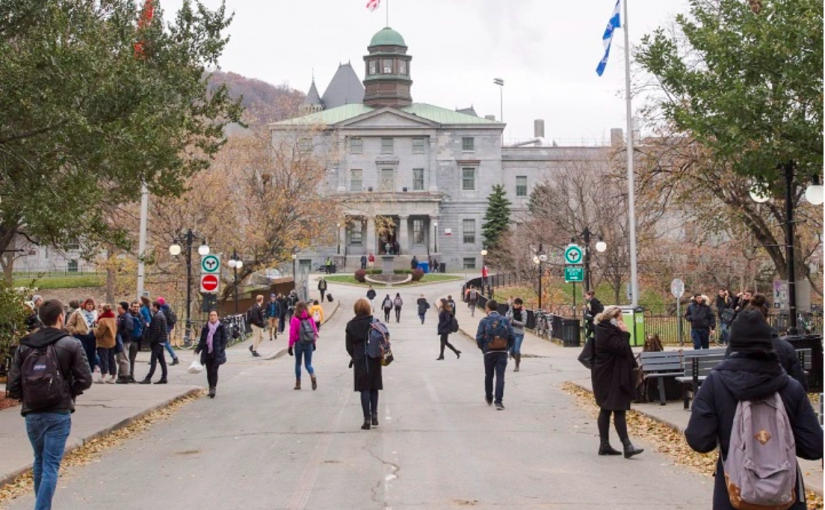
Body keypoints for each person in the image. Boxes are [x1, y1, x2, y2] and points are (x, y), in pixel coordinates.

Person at [685, 310, 822, 510]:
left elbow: (699, 440)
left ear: (733, 345)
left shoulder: (715, 384)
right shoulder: (790, 387)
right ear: (769, 344)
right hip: (785, 496)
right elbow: (815, 447)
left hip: (734, 495)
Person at [7, 298, 92, 510]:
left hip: (32, 411)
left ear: (40, 318)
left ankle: (42, 504)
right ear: (61, 317)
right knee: (51, 464)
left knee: (39, 460)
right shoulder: (70, 343)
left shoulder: (25, 345)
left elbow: (13, 382)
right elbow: (85, 379)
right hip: (58, 411)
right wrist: (69, 392)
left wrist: (26, 397)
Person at [723, 294, 808, 391]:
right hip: (781, 400)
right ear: (766, 319)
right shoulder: (785, 348)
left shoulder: (734, 348)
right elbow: (801, 384)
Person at [591, 306, 644, 458]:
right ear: (615, 317)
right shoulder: (607, 331)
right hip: (611, 376)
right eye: (621, 316)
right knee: (617, 408)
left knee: (607, 409)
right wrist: (625, 332)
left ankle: (605, 445)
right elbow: (621, 348)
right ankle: (627, 446)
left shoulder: (604, 329)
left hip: (607, 374)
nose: (623, 319)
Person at [345, 298, 383, 430]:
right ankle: (375, 416)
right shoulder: (374, 322)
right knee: (374, 387)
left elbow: (348, 346)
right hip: (374, 356)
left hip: (360, 358)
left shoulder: (350, 325)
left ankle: (366, 418)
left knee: (364, 389)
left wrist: (355, 356)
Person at [475, 300, 512, 410]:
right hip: (502, 351)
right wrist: (506, 347)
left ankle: (489, 396)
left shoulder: (484, 321)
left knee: (489, 375)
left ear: (487, 308)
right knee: (500, 376)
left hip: (489, 352)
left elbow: (479, 337)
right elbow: (512, 335)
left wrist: (484, 348)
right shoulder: (504, 320)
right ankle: (499, 401)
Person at [195, 310, 228, 398]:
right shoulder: (206, 327)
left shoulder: (221, 327)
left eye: (214, 315)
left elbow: (224, 339)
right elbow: (202, 340)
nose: (212, 317)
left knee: (214, 371)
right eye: (211, 315)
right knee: (209, 372)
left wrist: (221, 348)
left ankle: (213, 388)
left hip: (217, 353)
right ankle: (210, 387)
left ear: (217, 317)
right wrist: (198, 349)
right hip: (207, 352)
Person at [288, 301, 318, 391]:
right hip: (309, 343)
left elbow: (292, 334)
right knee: (308, 364)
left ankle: (298, 384)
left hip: (299, 343)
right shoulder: (310, 318)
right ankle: (312, 375)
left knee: (298, 363)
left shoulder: (295, 318)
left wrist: (290, 346)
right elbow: (314, 331)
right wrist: (314, 343)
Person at [140, 301, 169, 384]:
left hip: (158, 341)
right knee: (161, 360)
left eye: (152, 306)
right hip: (161, 340)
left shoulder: (157, 316)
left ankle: (148, 378)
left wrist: (152, 341)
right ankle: (164, 377)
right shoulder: (160, 315)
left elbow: (156, 331)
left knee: (153, 359)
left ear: (155, 307)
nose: (150, 308)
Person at [72, 298, 98, 375]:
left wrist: (95, 331)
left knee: (91, 355)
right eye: (88, 304)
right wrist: (76, 331)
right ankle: (81, 372)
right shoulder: (78, 313)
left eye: (91, 304)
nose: (90, 306)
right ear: (85, 305)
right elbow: (69, 325)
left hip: (91, 336)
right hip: (80, 336)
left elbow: (96, 325)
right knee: (82, 355)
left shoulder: (95, 313)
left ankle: (90, 372)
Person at [94, 304, 117, 384]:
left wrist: (94, 329)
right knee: (112, 360)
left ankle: (103, 376)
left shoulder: (102, 320)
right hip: (112, 341)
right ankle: (113, 376)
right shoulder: (113, 319)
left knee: (103, 359)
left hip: (103, 342)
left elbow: (98, 333)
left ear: (103, 310)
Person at [114, 302, 134, 384]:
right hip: (121, 339)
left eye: (119, 308)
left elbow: (128, 328)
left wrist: (120, 335)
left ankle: (124, 376)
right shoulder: (121, 316)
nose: (118, 309)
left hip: (125, 340)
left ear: (123, 309)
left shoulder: (127, 317)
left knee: (123, 357)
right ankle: (121, 374)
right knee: (120, 357)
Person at [157, 297, 180, 366]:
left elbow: (161, 320)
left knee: (164, 343)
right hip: (168, 327)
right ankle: (174, 357)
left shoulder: (161, 309)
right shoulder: (167, 307)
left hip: (165, 328)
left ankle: (174, 357)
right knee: (162, 343)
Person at [506, 298, 526, 372]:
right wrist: (509, 318)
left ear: (520, 304)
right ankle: (518, 359)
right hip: (511, 333)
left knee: (517, 349)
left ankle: (517, 365)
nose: (516, 305)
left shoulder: (523, 312)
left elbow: (523, 323)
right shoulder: (511, 310)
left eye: (517, 304)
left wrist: (514, 321)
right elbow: (506, 316)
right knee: (511, 351)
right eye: (515, 304)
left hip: (519, 333)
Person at [128, 301, 144, 382]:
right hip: (127, 340)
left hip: (136, 341)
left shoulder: (140, 316)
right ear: (130, 307)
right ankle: (126, 374)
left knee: (132, 359)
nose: (136, 308)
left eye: (137, 307)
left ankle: (131, 375)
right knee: (126, 359)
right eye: (134, 306)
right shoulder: (128, 315)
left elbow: (143, 328)